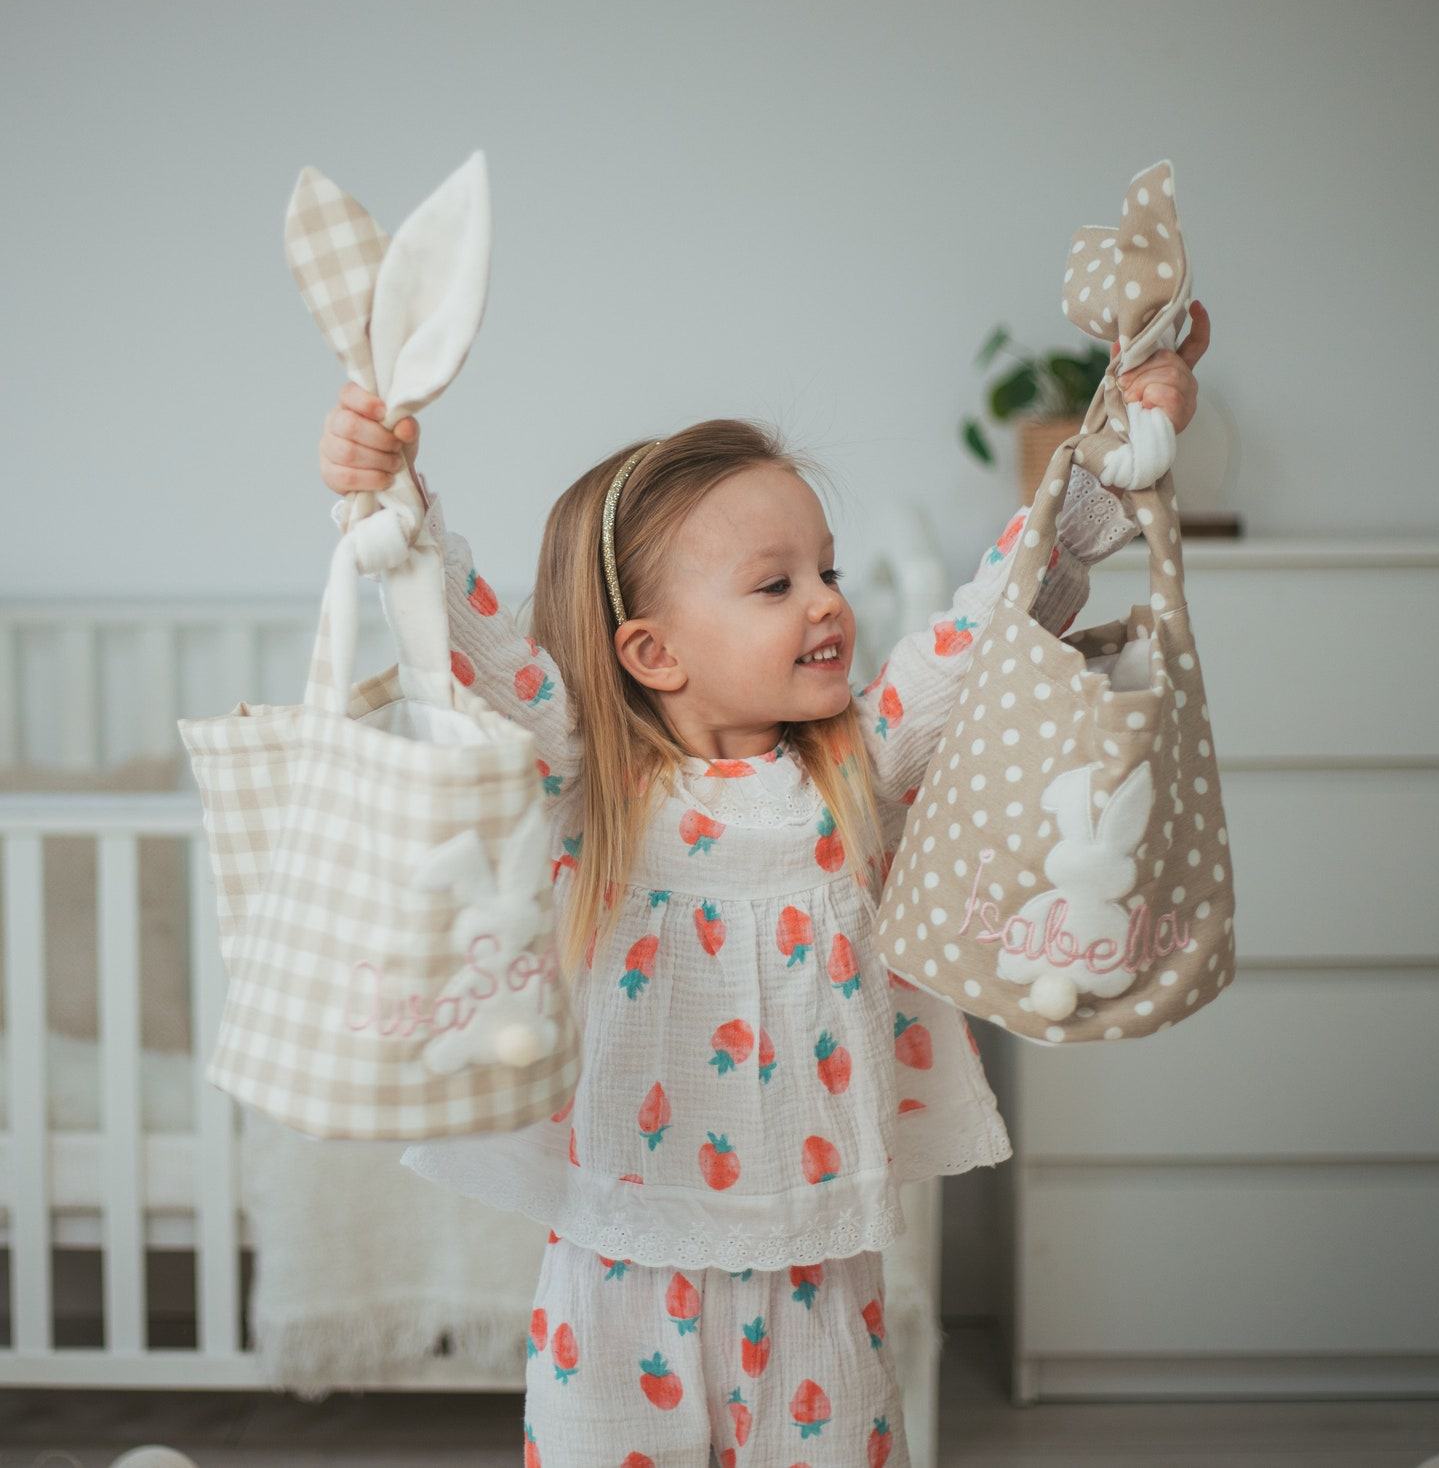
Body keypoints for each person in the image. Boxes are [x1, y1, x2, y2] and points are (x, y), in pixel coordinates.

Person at [317, 304, 1209, 1467]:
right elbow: (475, 652)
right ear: (651, 651)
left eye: (825, 569)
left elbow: (992, 625)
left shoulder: (859, 766)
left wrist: (1112, 446)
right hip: (618, 1261)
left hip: (811, 1264)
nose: (826, 600)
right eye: (774, 583)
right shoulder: (591, 781)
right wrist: (394, 502)